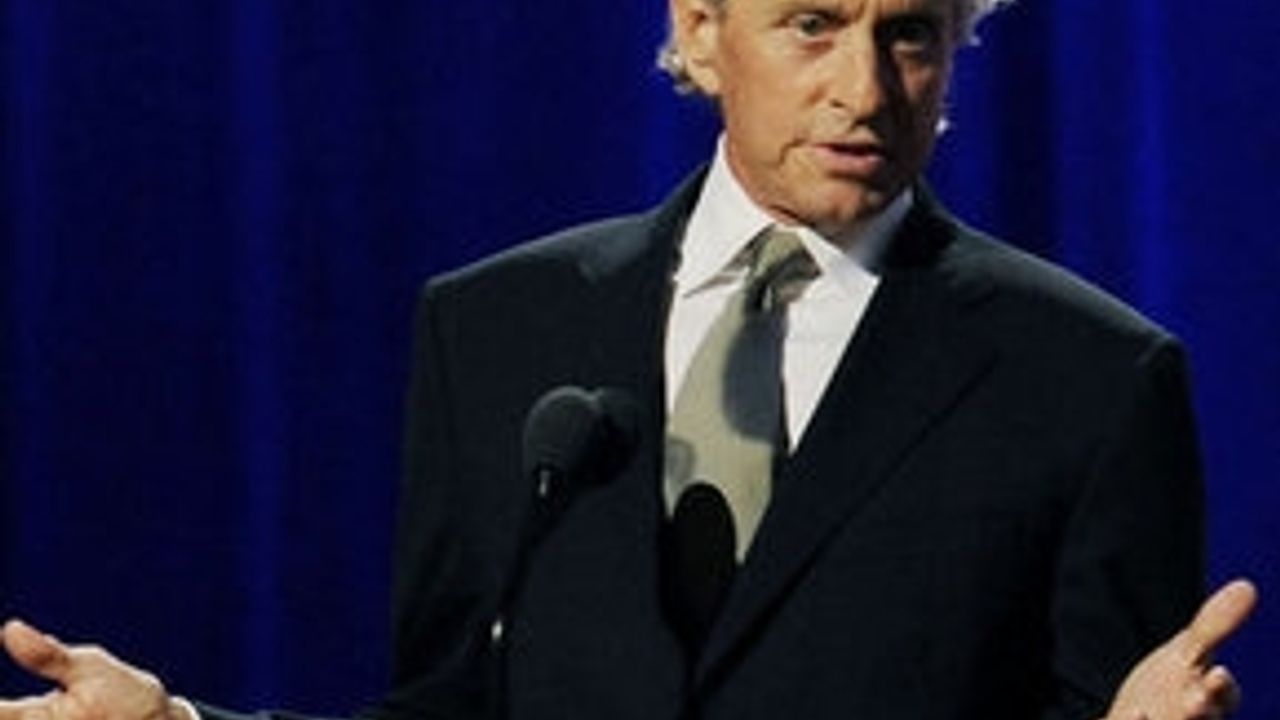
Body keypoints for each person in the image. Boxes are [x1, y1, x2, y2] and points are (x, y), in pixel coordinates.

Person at [0, 0, 1260, 718]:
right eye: (811, 25)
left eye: (910, 36)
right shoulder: (496, 329)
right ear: (700, 32)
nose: (864, 89)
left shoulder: (1087, 376)